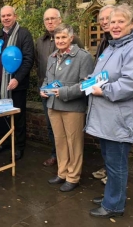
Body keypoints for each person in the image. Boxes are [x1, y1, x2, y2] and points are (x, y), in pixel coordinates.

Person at [85, 4, 133, 218]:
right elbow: (104, 74)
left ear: (132, 24)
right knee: (110, 161)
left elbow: (132, 83)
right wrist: (92, 81)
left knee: (117, 164)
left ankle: (114, 204)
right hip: (108, 118)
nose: (115, 26)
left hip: (121, 118)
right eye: (112, 21)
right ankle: (111, 194)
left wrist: (102, 90)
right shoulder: (113, 47)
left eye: (121, 22)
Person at [40, 23, 94, 192]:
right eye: (57, 37)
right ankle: (62, 172)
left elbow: (87, 85)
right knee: (60, 142)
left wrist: (63, 92)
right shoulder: (52, 57)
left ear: (71, 38)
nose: (60, 40)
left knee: (74, 143)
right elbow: (47, 79)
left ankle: (73, 177)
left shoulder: (83, 57)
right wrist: (43, 89)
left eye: (64, 37)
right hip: (53, 105)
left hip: (72, 107)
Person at [35, 8, 84, 167]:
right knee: (53, 128)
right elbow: (39, 66)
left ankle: (71, 164)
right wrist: (43, 87)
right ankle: (56, 156)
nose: (49, 21)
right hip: (48, 93)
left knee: (71, 134)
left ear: (60, 19)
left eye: (52, 18)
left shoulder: (75, 42)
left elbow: (82, 71)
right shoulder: (40, 41)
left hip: (69, 96)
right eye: (46, 19)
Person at [0, 6, 34, 161]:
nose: (6, 18)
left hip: (17, 85)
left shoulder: (23, 34)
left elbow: (28, 59)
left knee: (18, 117)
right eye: (3, 16)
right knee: (1, 115)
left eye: (9, 15)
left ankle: (19, 146)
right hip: (0, 83)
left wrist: (17, 79)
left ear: (15, 16)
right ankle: (4, 142)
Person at [92, 5, 115, 184]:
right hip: (101, 97)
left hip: (113, 98)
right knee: (105, 141)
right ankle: (107, 168)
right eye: (102, 19)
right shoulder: (104, 41)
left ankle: (112, 176)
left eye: (109, 18)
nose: (105, 22)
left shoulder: (120, 42)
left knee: (114, 142)